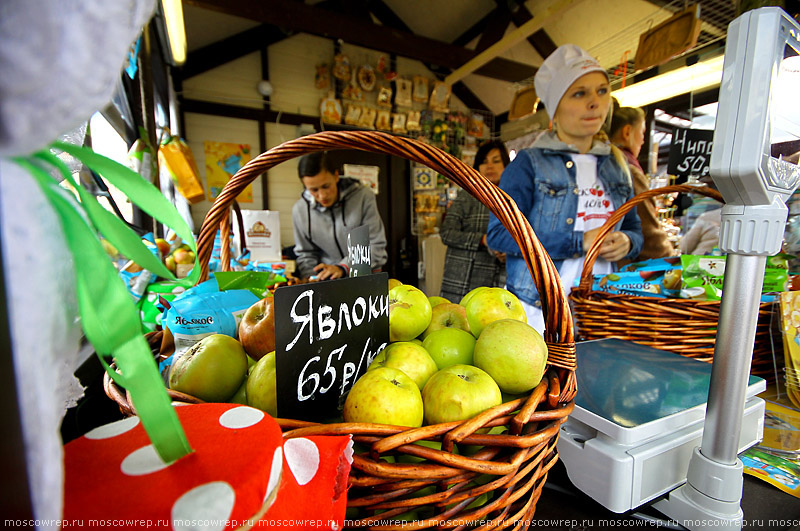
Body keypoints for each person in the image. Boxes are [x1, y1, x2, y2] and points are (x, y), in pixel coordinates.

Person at [486, 44, 643, 333]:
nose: (594, 102)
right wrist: (579, 241)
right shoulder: (528, 165)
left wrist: (628, 242)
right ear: (555, 108)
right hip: (540, 307)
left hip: (601, 306)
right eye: (579, 93)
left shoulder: (617, 165)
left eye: (601, 90)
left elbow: (634, 227)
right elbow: (499, 235)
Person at [291, 151, 387, 279]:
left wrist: (344, 267)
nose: (322, 195)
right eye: (314, 190)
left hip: (365, 277)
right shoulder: (300, 210)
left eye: (326, 186)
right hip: (328, 282)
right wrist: (313, 280)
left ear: (336, 176)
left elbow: (375, 245)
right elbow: (305, 254)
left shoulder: (363, 197)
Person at [439, 140, 510, 303]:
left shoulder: (514, 199)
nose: (489, 166)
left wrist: (510, 250)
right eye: (484, 162)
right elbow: (447, 233)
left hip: (501, 280)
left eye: (496, 161)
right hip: (463, 280)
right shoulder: (466, 196)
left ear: (506, 165)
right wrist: (483, 240)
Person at [607, 104, 674, 262]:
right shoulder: (626, 169)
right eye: (642, 133)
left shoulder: (597, 163)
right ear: (627, 132)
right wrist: (672, 261)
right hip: (617, 272)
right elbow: (648, 234)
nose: (643, 141)